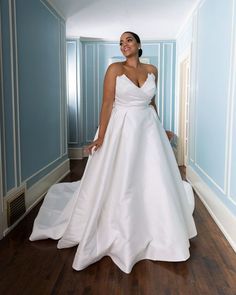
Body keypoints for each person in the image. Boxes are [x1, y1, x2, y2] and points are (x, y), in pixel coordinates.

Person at [29, 31, 197, 274]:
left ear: (138, 44)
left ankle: (158, 226)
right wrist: (101, 136)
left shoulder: (152, 70)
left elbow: (151, 103)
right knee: (123, 176)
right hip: (123, 128)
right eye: (120, 42)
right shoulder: (115, 70)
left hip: (148, 129)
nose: (123, 45)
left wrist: (160, 128)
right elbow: (107, 103)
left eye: (128, 40)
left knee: (152, 176)